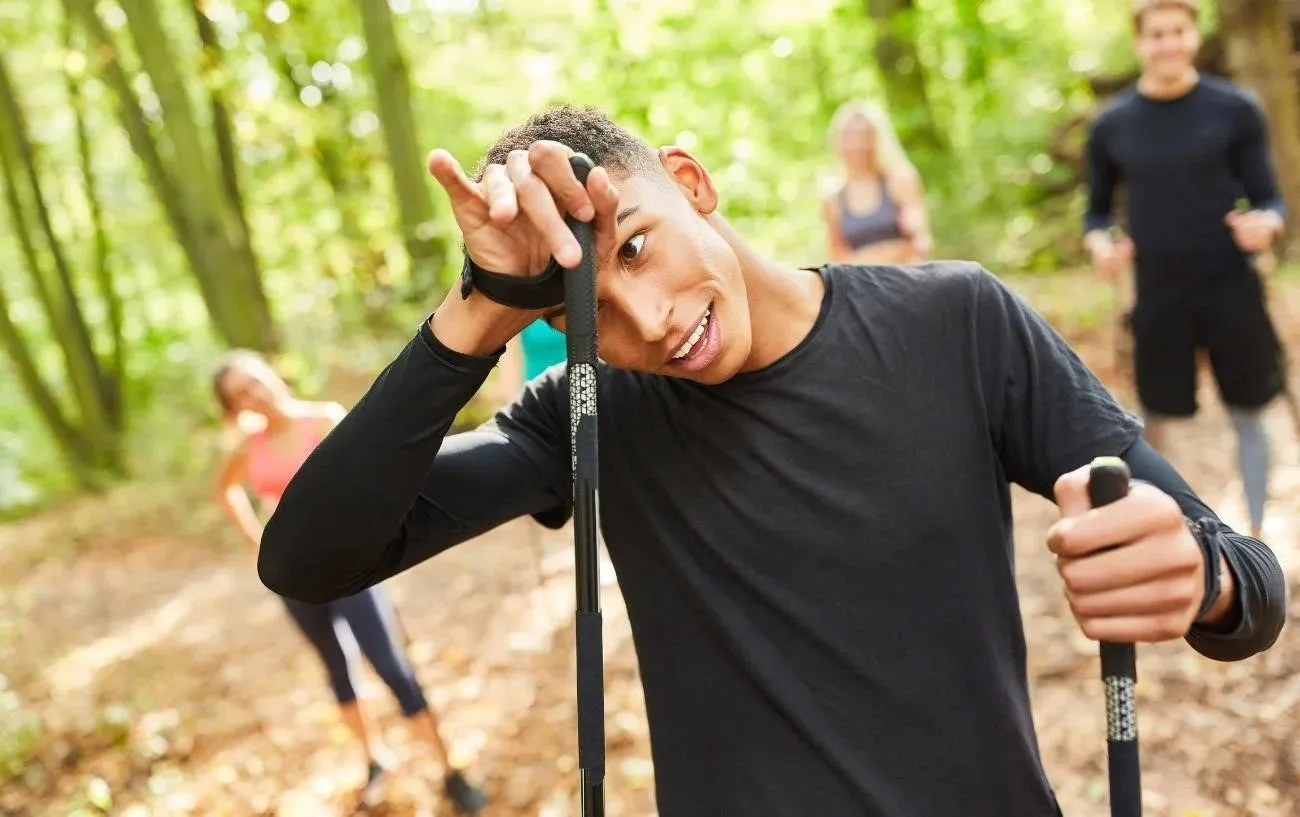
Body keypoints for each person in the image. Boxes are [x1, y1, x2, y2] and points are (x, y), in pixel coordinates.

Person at [258, 106, 1286, 816]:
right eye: (590, 314)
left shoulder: (955, 322)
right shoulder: (586, 414)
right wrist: (479, 309)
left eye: (636, 247)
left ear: (693, 183)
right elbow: (309, 557)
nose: (650, 322)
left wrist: (1197, 579)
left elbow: (1247, 580)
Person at [211, 350, 487, 814]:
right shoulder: (246, 449)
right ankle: (374, 758)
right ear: (235, 409)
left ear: (271, 374)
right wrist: (256, 541)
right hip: (294, 578)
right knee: (336, 668)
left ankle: (448, 771)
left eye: (254, 381)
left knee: (390, 664)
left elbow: (368, 480)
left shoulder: (323, 419)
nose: (254, 395)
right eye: (240, 395)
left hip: (351, 566)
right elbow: (225, 491)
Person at [1084, 0, 1287, 539]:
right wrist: (1102, 242)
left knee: (1249, 409)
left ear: (1194, 36)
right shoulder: (1112, 125)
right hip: (1157, 291)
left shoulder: (1236, 109)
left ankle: (1257, 532)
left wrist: (1265, 223)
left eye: (1178, 32)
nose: (1168, 43)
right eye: (1157, 34)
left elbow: (1270, 199)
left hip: (1231, 284)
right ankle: (1166, 526)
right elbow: (1097, 212)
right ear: (1139, 42)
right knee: (1155, 420)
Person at [820, 100, 933, 264]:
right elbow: (836, 258)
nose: (857, 144)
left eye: (864, 136)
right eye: (849, 137)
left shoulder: (899, 179)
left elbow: (922, 240)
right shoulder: (832, 197)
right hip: (864, 286)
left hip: (907, 278)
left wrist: (915, 231)